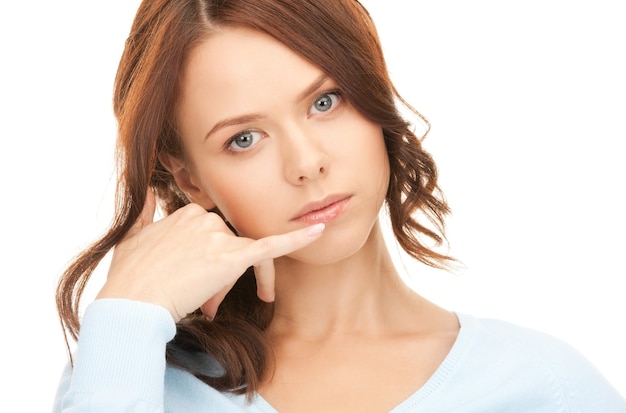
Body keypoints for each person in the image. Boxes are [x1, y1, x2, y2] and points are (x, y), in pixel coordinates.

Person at [53, 0, 625, 412]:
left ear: (372, 92)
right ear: (191, 181)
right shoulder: (128, 369)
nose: (306, 162)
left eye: (325, 101)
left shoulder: (544, 386)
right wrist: (128, 312)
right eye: (244, 139)